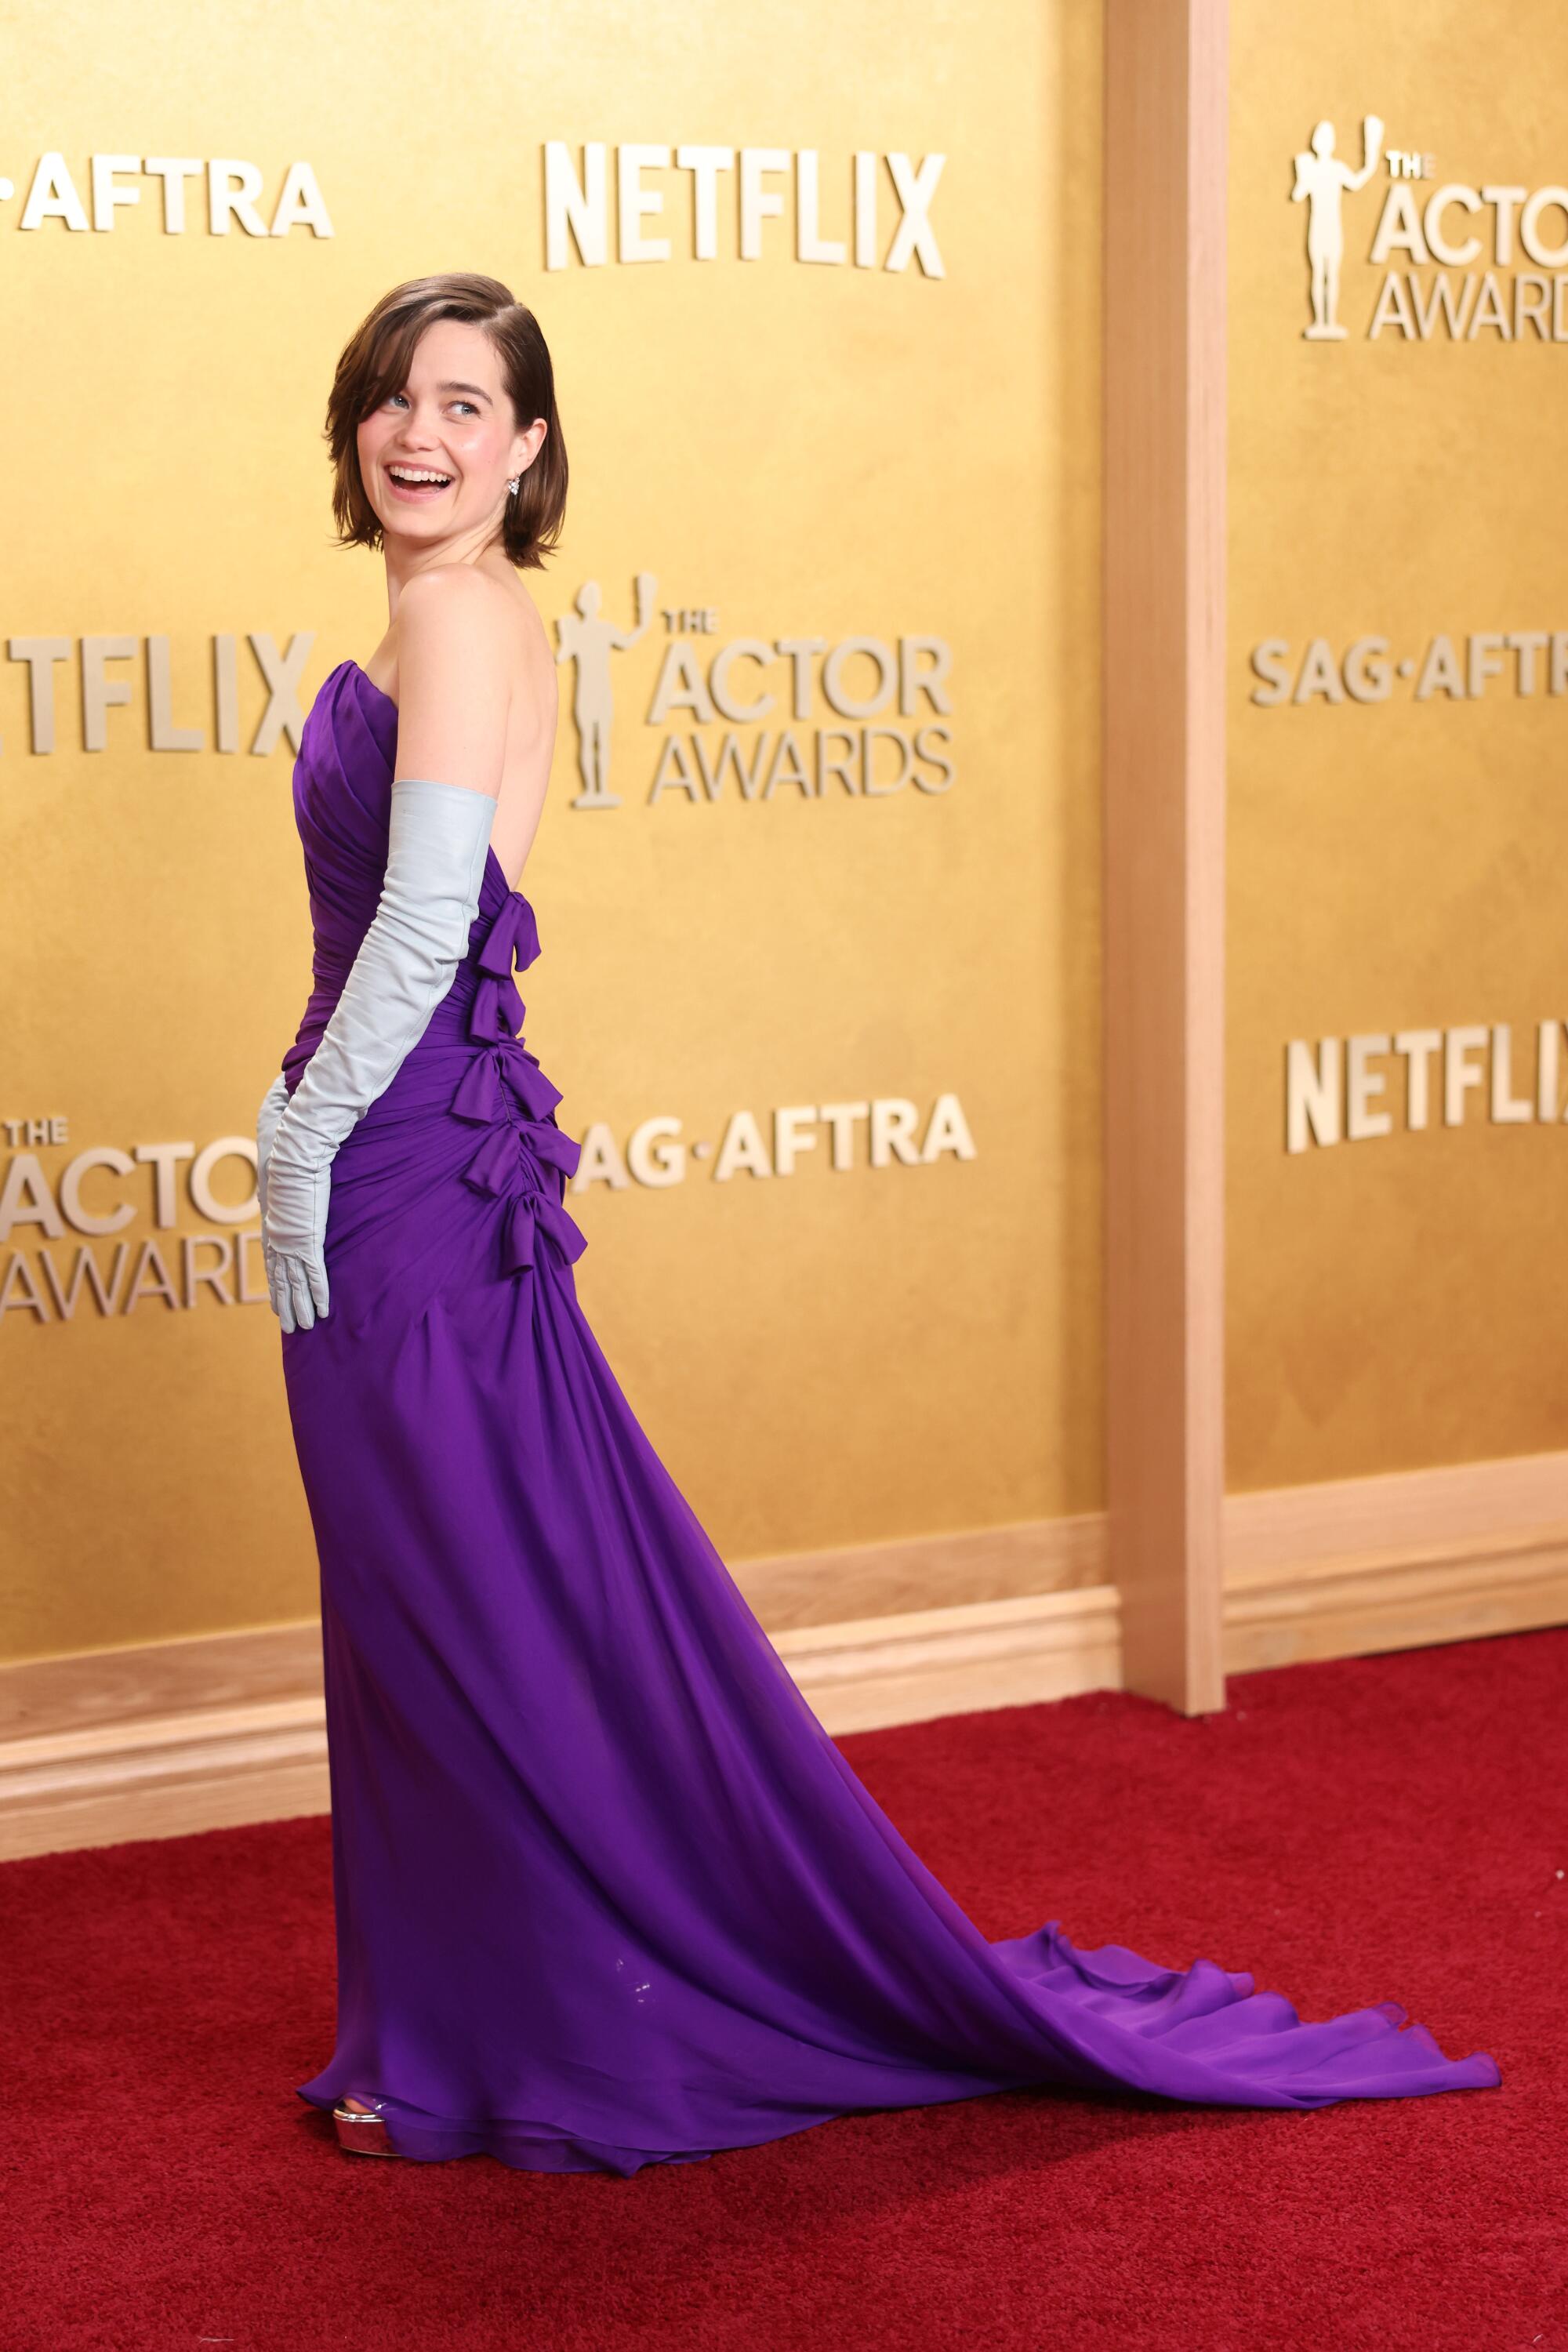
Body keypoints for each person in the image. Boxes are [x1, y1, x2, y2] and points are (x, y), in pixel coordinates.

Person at [256, 272, 1500, 2173]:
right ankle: (443, 2026)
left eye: (463, 402)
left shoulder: (456, 619)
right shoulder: (465, 612)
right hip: (409, 1152)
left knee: (456, 1607)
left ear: (524, 445)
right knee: (441, 1596)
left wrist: (297, 1146)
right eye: (390, 397)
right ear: (356, 426)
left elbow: (428, 930)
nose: (418, 432)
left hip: (402, 1170)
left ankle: (500, 2037)